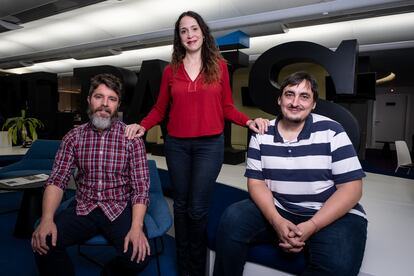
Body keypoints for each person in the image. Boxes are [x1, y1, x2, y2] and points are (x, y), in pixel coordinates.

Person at [125, 10, 268, 276]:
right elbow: (159, 109)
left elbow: (227, 107)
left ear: (203, 32)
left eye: (193, 29)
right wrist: (141, 125)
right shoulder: (171, 71)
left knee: (197, 209)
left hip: (209, 146)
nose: (189, 35)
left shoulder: (220, 67)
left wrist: (248, 122)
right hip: (177, 145)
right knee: (180, 206)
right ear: (178, 38)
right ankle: (184, 269)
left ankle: (197, 269)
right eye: (183, 31)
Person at [213, 71, 368, 276]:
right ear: (279, 99)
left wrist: (312, 225)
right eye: (289, 94)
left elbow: (352, 188)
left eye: (304, 96)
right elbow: (256, 183)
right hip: (281, 207)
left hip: (330, 213)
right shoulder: (262, 133)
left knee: (336, 267)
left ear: (313, 104)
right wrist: (277, 221)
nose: (295, 102)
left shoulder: (332, 131)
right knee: (231, 220)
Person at [32, 73, 151, 276]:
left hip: (118, 207)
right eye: (99, 97)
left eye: (111, 99)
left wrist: (137, 227)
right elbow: (58, 180)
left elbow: (141, 187)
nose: (104, 105)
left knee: (137, 257)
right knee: (44, 243)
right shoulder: (73, 138)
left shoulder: (131, 139)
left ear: (118, 105)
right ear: (88, 100)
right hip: (84, 207)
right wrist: (47, 218)